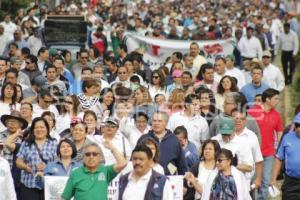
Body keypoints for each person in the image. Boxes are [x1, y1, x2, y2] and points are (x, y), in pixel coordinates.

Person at [248, 88, 283, 200]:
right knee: (253, 180)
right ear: (267, 99)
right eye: (275, 98)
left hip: (269, 153)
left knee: (266, 181)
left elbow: (279, 132)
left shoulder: (276, 115)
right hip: (253, 152)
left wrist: (279, 150)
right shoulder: (253, 111)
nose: (278, 101)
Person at [61, 142, 127, 200]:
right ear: (83, 158)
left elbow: (123, 163)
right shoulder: (75, 173)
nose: (91, 156)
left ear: (100, 157)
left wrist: (112, 148)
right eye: (88, 154)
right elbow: (65, 197)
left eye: (95, 154)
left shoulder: (105, 170)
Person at [16, 117, 57, 200]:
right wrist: (26, 167)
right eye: (36, 127)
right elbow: (18, 162)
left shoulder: (54, 142)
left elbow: (59, 162)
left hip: (48, 185)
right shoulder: (26, 143)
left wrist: (47, 167)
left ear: (47, 128)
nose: (39, 130)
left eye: (42, 127)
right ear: (32, 130)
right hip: (29, 183)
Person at [270, 113, 300, 200]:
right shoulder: (287, 137)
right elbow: (279, 159)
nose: (298, 128)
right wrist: (274, 179)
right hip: (291, 182)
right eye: (297, 125)